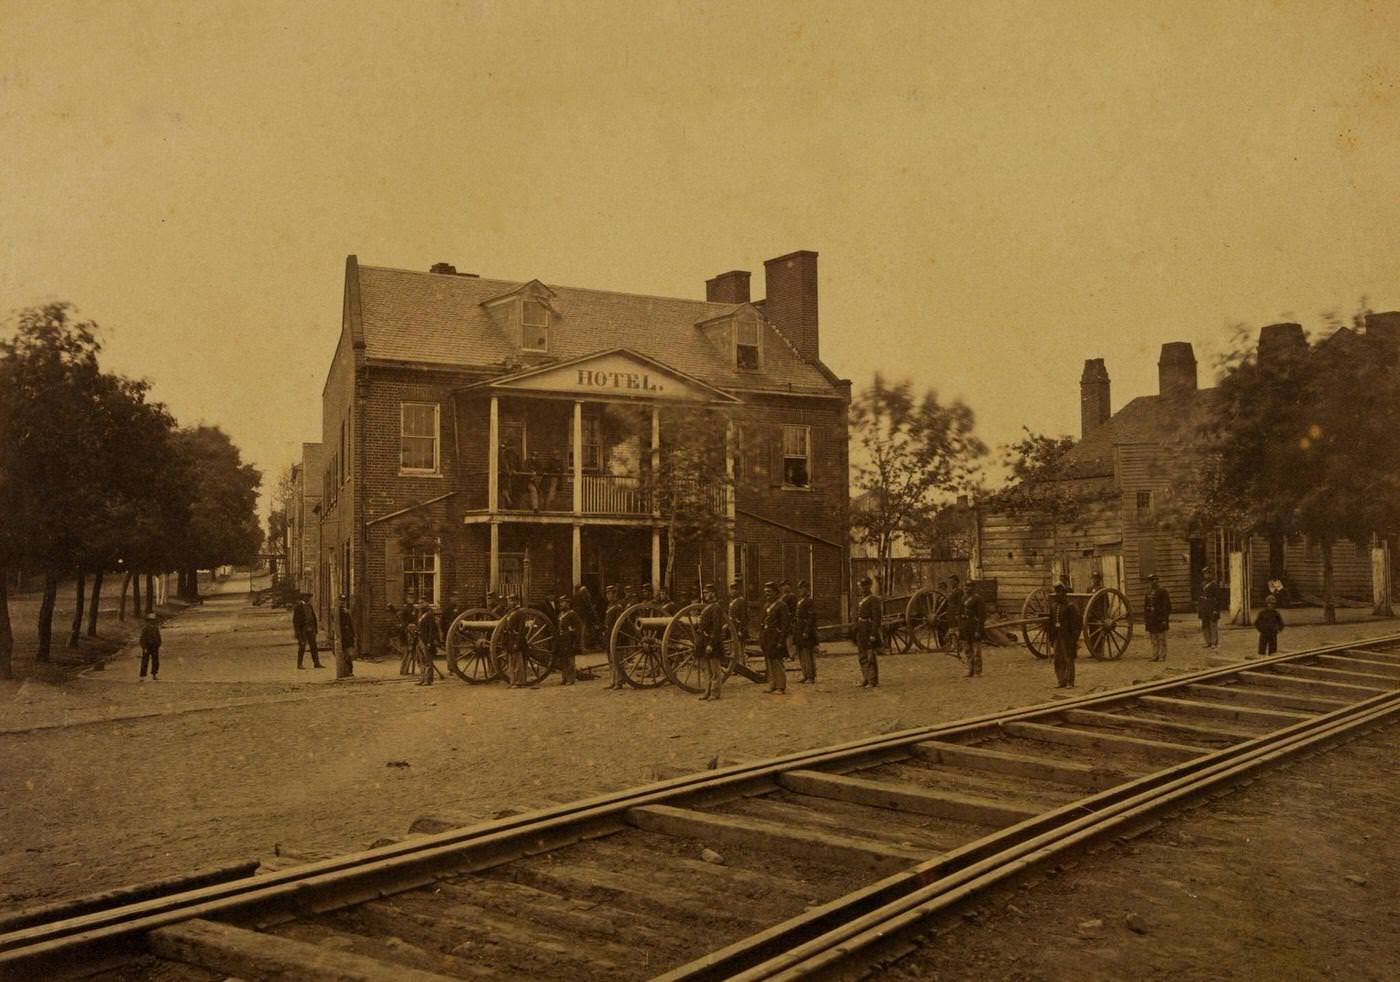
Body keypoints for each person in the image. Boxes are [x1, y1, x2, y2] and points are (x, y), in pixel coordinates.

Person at [697, 583, 727, 700]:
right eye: (704, 593)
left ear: (713, 593)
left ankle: (715, 693)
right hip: (705, 640)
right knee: (707, 670)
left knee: (715, 670)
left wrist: (711, 644)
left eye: (707, 593)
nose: (705, 595)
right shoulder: (707, 607)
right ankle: (707, 692)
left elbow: (716, 628)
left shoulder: (716, 607)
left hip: (713, 641)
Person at [1048, 583, 1080, 687]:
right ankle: (1061, 680)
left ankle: (1070, 681)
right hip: (1057, 636)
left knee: (1068, 659)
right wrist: (1051, 637)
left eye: (1060, 593)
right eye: (1057, 593)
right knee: (1058, 659)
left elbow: (1076, 625)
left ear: (1064, 595)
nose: (1058, 595)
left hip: (1067, 637)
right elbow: (1051, 623)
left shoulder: (1070, 607)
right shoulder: (1054, 607)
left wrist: (1074, 639)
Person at [760, 581, 789, 694]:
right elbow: (762, 623)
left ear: (776, 593)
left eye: (769, 592)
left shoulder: (782, 606)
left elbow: (785, 625)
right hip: (767, 639)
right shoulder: (766, 605)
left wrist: (781, 641)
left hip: (776, 638)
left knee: (777, 662)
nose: (767, 594)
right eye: (765, 592)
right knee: (769, 662)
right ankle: (772, 685)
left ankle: (780, 687)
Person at [855, 575, 882, 688]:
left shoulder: (873, 600)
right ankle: (866, 677)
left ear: (869, 586)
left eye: (864, 586)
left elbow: (876, 618)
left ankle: (872, 680)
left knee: (870, 656)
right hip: (861, 631)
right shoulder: (862, 600)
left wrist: (873, 633)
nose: (862, 588)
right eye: (861, 586)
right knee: (862, 656)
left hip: (868, 629)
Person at [793, 580, 818, 683]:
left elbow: (812, 617)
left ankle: (811, 676)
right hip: (799, 629)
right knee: (801, 653)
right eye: (799, 588)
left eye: (802, 588)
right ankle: (805, 674)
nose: (800, 590)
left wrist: (807, 631)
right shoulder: (800, 601)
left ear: (807, 589)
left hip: (806, 630)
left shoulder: (809, 601)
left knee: (808, 654)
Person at [555, 594, 582, 685]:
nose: (561, 604)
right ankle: (564, 678)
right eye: (561, 602)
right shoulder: (561, 614)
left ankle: (571, 679)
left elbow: (578, 628)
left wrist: (576, 641)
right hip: (562, 640)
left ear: (568, 603)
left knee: (570, 660)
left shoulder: (572, 614)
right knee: (563, 660)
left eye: (563, 602)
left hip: (570, 640)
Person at [1144, 574, 1171, 662]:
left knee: (1161, 638)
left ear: (1158, 580)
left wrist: (1164, 619)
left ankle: (1162, 656)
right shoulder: (1148, 592)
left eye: (1154, 580)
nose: (1153, 582)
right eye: (1151, 580)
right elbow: (1146, 606)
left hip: (1160, 618)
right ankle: (1154, 655)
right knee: (1153, 639)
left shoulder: (1163, 591)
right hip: (1151, 618)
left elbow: (1167, 606)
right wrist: (1146, 618)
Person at [292, 594, 323, 669]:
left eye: (309, 597)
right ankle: (299, 664)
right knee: (302, 647)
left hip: (311, 629)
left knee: (314, 647)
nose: (309, 599)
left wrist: (315, 629)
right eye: (307, 597)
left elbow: (313, 617)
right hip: (303, 630)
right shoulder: (298, 607)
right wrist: (298, 632)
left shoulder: (310, 606)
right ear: (303, 598)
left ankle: (316, 663)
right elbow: (295, 621)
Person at [604, 585, 626, 690]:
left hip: (616, 636)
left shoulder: (618, 607)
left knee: (617, 659)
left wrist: (616, 635)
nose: (609, 596)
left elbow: (620, 623)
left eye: (611, 594)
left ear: (615, 594)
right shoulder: (609, 606)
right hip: (609, 635)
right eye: (607, 594)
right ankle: (613, 681)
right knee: (611, 660)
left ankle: (619, 682)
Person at [962, 584, 987, 677]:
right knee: (967, 650)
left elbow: (982, 616)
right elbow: (960, 613)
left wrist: (978, 630)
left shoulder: (978, 599)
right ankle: (970, 670)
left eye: (969, 586)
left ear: (973, 588)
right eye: (965, 586)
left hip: (974, 626)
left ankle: (978, 671)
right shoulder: (963, 599)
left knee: (976, 651)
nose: (966, 588)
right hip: (966, 627)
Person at [416, 604, 442, 685]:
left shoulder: (429, 617)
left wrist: (429, 642)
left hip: (425, 641)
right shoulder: (422, 617)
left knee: (428, 661)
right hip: (420, 640)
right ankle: (423, 679)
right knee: (421, 661)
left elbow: (431, 631)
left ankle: (428, 680)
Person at [1197, 568, 1221, 648]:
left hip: (1212, 606)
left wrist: (1216, 610)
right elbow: (1200, 597)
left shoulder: (1214, 585)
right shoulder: (1202, 584)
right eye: (1205, 574)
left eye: (1208, 574)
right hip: (1204, 607)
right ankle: (1208, 642)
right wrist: (1200, 609)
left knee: (1213, 625)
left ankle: (1214, 642)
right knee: (1205, 625)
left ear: (1211, 575)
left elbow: (1218, 598)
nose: (1206, 575)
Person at [945, 574, 966, 657]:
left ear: (956, 582)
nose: (951, 583)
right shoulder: (952, 591)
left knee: (957, 629)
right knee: (951, 629)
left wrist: (958, 612)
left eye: (952, 582)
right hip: (950, 611)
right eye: (950, 582)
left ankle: (959, 645)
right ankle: (954, 645)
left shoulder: (959, 591)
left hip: (955, 611)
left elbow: (960, 603)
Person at [335, 596, 356, 679]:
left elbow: (351, 624)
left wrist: (353, 634)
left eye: (343, 601)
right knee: (342, 654)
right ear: (338, 601)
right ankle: (343, 671)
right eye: (340, 600)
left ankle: (349, 671)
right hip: (341, 636)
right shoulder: (336, 612)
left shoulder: (346, 611)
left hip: (348, 636)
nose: (342, 602)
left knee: (349, 654)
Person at [138, 612, 162, 681]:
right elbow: (142, 639)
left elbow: (158, 636)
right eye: (151, 620)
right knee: (145, 661)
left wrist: (159, 643)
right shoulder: (145, 628)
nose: (152, 622)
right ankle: (142, 676)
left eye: (153, 620)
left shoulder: (156, 628)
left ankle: (154, 674)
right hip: (147, 646)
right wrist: (144, 647)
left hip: (155, 646)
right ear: (148, 621)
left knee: (155, 661)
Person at [728, 580, 749, 647]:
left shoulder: (741, 601)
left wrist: (741, 630)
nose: (732, 592)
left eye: (734, 590)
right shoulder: (732, 602)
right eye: (731, 589)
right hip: (733, 627)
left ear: (738, 591)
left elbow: (744, 617)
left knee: (740, 646)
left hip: (738, 627)